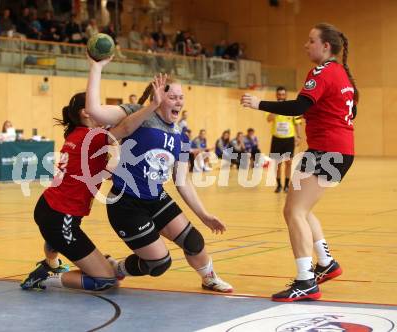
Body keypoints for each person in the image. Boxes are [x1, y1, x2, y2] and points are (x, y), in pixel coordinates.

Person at [20, 57, 168, 292]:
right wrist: (151, 107)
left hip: (51, 209)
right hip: (60, 217)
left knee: (59, 237)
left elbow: (93, 169)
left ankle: (53, 257)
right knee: (106, 280)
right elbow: (127, 127)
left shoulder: (76, 135)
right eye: (94, 106)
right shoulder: (93, 137)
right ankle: (46, 277)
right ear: (86, 113)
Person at [241, 23, 357, 302]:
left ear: (325, 46)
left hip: (327, 150)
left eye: (311, 41)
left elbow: (297, 107)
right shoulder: (341, 73)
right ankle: (326, 263)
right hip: (335, 149)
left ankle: (306, 280)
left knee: (293, 211)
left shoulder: (322, 71)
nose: (306, 45)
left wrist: (259, 104)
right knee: (301, 209)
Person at [86, 72, 233, 293]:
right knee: (158, 264)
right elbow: (95, 111)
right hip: (126, 203)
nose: (179, 101)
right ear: (158, 97)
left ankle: (208, 277)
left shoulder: (181, 137)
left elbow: (182, 181)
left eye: (181, 97)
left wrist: (204, 215)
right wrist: (96, 66)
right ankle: (116, 267)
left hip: (156, 198)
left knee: (194, 241)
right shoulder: (138, 114)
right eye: (173, 97)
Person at [267, 87, 302, 193]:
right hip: (277, 139)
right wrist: (277, 109)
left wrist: (299, 136)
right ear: (276, 95)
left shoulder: (291, 107)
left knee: (288, 163)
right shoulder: (272, 106)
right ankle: (278, 185)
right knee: (278, 164)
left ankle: (286, 185)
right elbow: (269, 119)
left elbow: (297, 123)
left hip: (289, 140)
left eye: (283, 94)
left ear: (286, 95)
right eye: (279, 94)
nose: (281, 96)